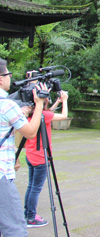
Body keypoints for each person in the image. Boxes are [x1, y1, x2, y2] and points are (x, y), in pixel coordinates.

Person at [0, 59, 46, 236]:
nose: (10, 78)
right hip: (2, 173)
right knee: (15, 229)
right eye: (8, 74)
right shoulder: (7, 105)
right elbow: (31, 132)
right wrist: (40, 104)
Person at [22, 90, 68, 228]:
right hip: (41, 157)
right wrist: (64, 100)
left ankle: (27, 213)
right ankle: (31, 217)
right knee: (36, 188)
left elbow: (47, 113)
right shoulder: (45, 115)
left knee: (31, 186)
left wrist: (57, 102)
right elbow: (63, 116)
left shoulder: (31, 114)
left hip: (30, 155)